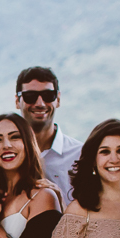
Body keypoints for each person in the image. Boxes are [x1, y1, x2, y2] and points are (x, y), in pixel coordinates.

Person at [15, 66, 82, 206]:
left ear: (58, 99)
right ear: (17, 101)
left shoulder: (81, 155)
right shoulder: (2, 155)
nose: (40, 103)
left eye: (48, 95)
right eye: (30, 96)